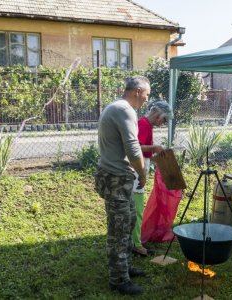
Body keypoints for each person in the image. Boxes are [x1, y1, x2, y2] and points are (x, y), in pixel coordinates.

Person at [94, 76, 150, 296]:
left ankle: (125, 267)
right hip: (116, 178)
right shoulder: (125, 110)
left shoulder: (116, 107)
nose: (146, 100)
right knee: (118, 230)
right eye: (146, 95)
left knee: (128, 222)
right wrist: (142, 173)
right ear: (137, 91)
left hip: (116, 177)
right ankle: (118, 280)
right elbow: (133, 149)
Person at [132, 100, 171, 256]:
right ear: (157, 114)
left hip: (141, 168)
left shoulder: (148, 125)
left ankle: (134, 240)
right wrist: (155, 148)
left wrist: (159, 159)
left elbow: (145, 153)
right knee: (137, 209)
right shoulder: (143, 124)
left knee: (137, 207)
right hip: (135, 171)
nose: (163, 123)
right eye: (164, 119)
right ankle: (135, 244)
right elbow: (135, 148)